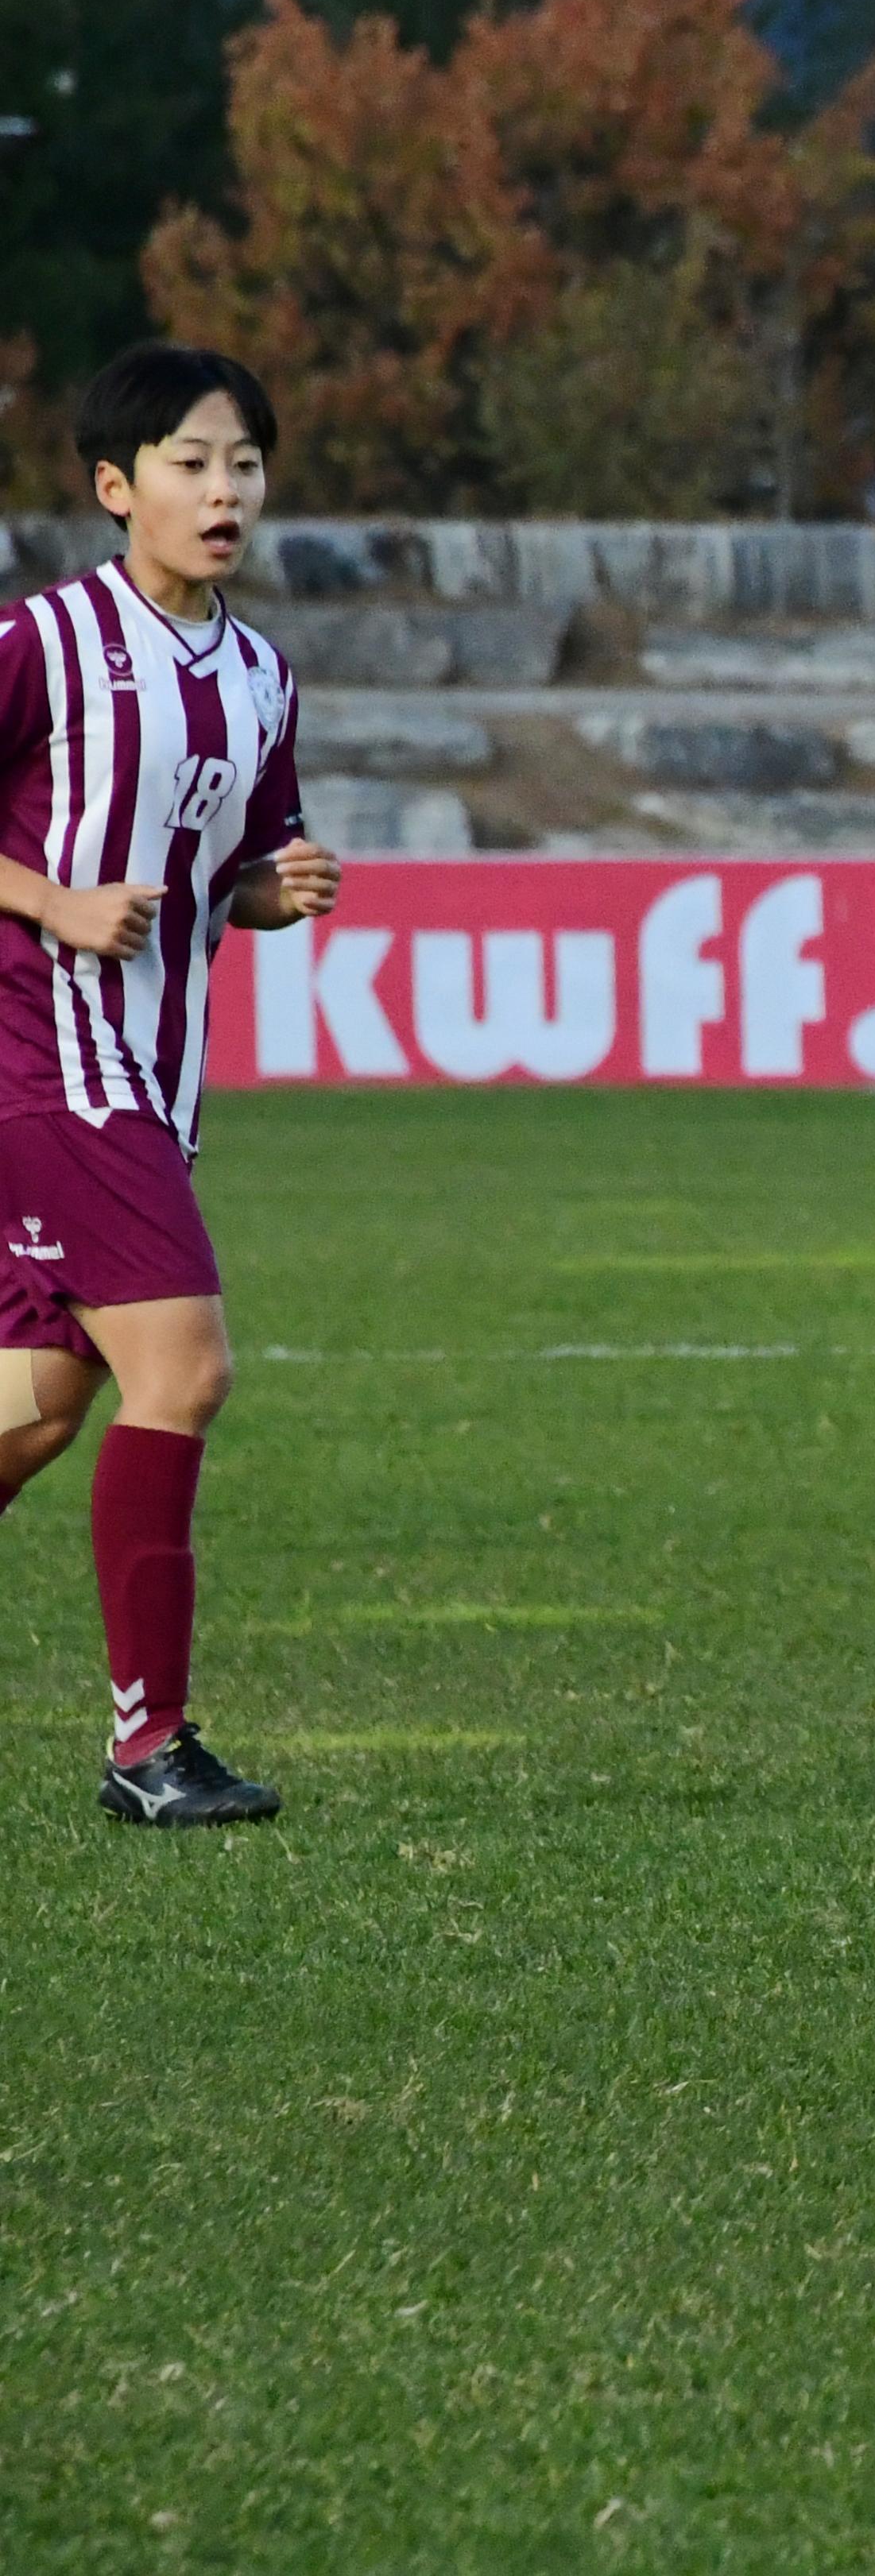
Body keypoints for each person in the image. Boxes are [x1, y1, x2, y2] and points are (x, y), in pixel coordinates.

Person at [0, 344, 336, 1828]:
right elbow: (76, 889)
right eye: (193, 464)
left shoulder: (259, 674)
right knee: (185, 1370)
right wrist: (57, 903)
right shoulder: (44, 641)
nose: (225, 491)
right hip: (48, 1059)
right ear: (114, 487)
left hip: (149, 1075)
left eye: (245, 463)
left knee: (40, 1404)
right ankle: (150, 1745)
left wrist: (274, 887)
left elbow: (230, 877)